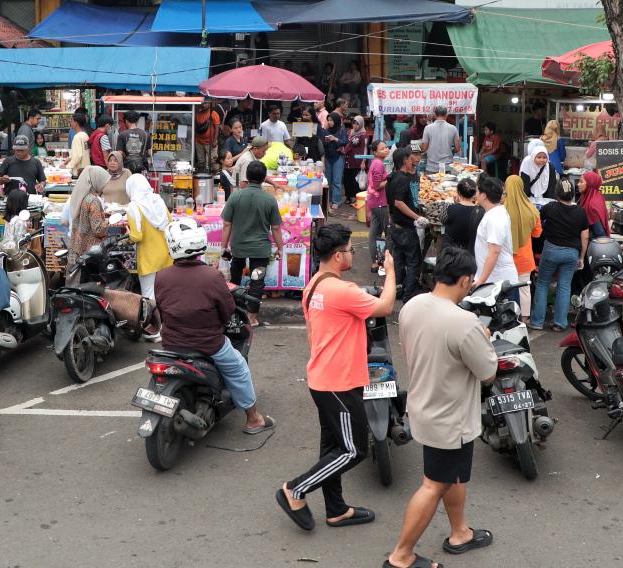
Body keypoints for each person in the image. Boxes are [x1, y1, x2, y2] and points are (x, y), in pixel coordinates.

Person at [385, 246, 498, 568]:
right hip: (450, 417)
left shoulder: (414, 304)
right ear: (464, 281)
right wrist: (483, 337)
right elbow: (487, 372)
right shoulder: (464, 322)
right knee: (433, 484)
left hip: (424, 405)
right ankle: (401, 555)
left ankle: (459, 532)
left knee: (453, 476)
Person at [278, 224, 396, 532]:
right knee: (353, 449)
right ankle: (295, 489)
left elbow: (312, 333)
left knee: (332, 449)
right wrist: (391, 270)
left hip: (323, 378)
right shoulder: (342, 291)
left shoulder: (314, 285)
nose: (352, 254)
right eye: (349, 250)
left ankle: (337, 509)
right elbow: (384, 307)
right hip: (339, 384)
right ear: (336, 255)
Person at [155, 218, 274, 433]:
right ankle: (254, 419)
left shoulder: (161, 276)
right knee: (239, 369)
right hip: (209, 345)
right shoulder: (212, 276)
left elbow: (162, 308)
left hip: (171, 345)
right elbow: (228, 311)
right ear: (200, 242)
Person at [221, 160, 285, 304]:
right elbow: (275, 228)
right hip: (260, 249)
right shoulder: (270, 200)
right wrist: (280, 248)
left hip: (238, 247)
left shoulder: (235, 196)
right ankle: (252, 317)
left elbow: (226, 224)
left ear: (247, 177)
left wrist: (223, 247)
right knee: (257, 281)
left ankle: (234, 311)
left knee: (235, 278)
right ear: (264, 179)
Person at [533, 178, 589, 331]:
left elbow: (536, 220)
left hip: (551, 250)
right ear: (572, 194)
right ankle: (560, 323)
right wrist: (581, 257)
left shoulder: (549, 208)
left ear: (556, 193)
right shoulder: (580, 211)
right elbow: (585, 236)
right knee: (564, 287)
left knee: (543, 284)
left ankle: (537, 322)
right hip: (572, 253)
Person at [124, 173, 172, 310]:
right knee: (165, 292)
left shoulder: (133, 207)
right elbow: (170, 222)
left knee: (148, 295)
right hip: (165, 255)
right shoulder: (158, 200)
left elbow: (137, 236)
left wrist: (128, 236)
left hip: (148, 258)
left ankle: (153, 329)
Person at [385, 147, 426, 300]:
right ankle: (409, 295)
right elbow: (398, 202)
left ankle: (398, 290)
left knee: (399, 262)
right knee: (414, 261)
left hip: (396, 226)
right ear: (404, 161)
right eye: (410, 158)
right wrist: (417, 217)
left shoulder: (392, 177)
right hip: (405, 229)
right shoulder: (402, 179)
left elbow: (391, 202)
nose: (413, 160)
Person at [471, 177, 517, 300]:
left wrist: (481, 280)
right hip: (493, 280)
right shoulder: (493, 213)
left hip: (497, 283)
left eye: (477, 191)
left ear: (484, 195)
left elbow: (494, 251)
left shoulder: (495, 217)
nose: (475, 195)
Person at [502, 175, 541, 318]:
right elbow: (537, 234)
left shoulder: (501, 209)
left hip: (505, 257)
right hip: (525, 258)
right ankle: (524, 319)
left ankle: (508, 317)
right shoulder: (531, 209)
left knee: (505, 289)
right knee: (524, 289)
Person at [66, 166, 110, 265]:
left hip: (77, 246)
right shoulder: (93, 200)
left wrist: (101, 214)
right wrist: (108, 221)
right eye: (104, 183)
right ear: (96, 181)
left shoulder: (81, 195)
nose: (104, 186)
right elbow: (98, 229)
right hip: (90, 251)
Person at [366, 141, 391, 273]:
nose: (386, 150)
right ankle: (385, 263)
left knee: (373, 233)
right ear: (375, 152)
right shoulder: (379, 164)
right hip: (380, 203)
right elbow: (376, 185)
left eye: (386, 147)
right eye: (382, 149)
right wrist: (390, 179)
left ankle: (375, 263)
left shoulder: (376, 163)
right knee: (388, 234)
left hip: (374, 202)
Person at [442, 177, 483, 254]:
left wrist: (455, 204)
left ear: (458, 193)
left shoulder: (449, 208)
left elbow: (443, 220)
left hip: (451, 253)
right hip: (471, 253)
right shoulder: (480, 212)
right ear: (474, 194)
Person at [321, 113, 349, 211]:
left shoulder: (341, 130)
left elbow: (345, 142)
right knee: (328, 180)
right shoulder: (326, 130)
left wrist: (335, 139)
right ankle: (328, 199)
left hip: (338, 157)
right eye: (328, 120)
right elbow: (322, 144)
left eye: (331, 120)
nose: (330, 122)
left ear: (336, 120)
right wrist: (326, 141)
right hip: (328, 157)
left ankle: (336, 201)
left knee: (337, 181)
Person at [518, 138, 557, 208]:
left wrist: (549, 205)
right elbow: (525, 185)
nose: (542, 160)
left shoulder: (549, 167)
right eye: (539, 157)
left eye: (544, 157)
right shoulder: (527, 164)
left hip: (545, 200)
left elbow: (551, 187)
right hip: (529, 200)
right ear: (533, 157)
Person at [578, 169, 610, 238]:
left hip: (594, 245)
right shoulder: (593, 196)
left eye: (581, 182)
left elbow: (600, 233)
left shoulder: (592, 204)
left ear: (590, 184)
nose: (578, 184)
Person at [194, 100, 223, 173]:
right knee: (201, 161)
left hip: (210, 142)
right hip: (199, 141)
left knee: (211, 162)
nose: (203, 105)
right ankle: (201, 176)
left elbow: (217, 127)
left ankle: (211, 178)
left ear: (209, 104)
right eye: (203, 103)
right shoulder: (198, 113)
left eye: (205, 103)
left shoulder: (213, 113)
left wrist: (215, 140)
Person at [67, 109, 91, 176]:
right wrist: (69, 159)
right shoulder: (85, 135)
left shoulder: (77, 137)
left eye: (71, 121)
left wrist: (68, 166)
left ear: (76, 123)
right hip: (86, 168)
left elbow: (78, 155)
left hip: (79, 170)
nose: (70, 123)